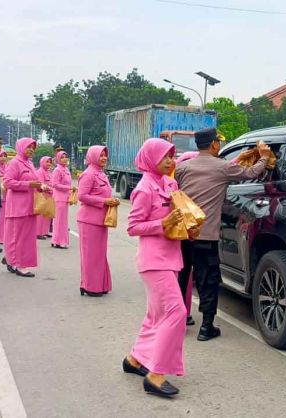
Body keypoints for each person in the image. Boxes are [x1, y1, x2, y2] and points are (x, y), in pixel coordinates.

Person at [175, 128, 272, 340]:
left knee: (182, 277)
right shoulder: (223, 167)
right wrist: (264, 157)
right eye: (217, 142)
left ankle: (178, 319)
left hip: (183, 234)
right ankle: (206, 327)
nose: (219, 145)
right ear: (213, 145)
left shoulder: (182, 168)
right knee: (207, 280)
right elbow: (251, 173)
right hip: (207, 236)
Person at [123, 138, 188, 398]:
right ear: (151, 159)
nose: (171, 161)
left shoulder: (170, 183)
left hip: (171, 257)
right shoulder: (144, 188)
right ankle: (156, 374)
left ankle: (135, 359)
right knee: (177, 312)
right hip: (153, 261)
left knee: (156, 315)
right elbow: (133, 226)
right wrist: (162, 223)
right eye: (166, 157)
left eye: (172, 156)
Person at [77, 145, 119, 297]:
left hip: (100, 220)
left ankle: (99, 284)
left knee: (99, 254)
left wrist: (110, 201)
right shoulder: (88, 174)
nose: (104, 158)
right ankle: (89, 286)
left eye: (105, 155)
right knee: (91, 255)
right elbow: (82, 196)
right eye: (101, 155)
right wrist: (104, 201)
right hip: (89, 220)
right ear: (93, 156)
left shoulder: (101, 173)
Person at [3, 138, 45, 277]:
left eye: (33, 147)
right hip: (17, 206)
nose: (31, 150)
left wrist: (42, 187)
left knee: (26, 238)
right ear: (21, 147)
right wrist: (28, 185)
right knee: (16, 236)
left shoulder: (30, 164)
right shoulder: (15, 163)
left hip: (30, 206)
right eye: (28, 147)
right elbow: (8, 182)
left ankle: (13, 259)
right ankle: (17, 264)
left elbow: (35, 182)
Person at [174, 151, 200, 326]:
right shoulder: (170, 185)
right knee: (181, 275)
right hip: (175, 236)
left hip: (188, 233)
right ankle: (178, 314)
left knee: (186, 276)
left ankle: (185, 312)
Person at [51, 151, 74, 249]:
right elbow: (55, 184)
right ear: (58, 159)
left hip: (65, 198)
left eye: (66, 157)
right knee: (59, 221)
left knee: (63, 221)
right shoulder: (57, 170)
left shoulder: (67, 170)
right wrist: (68, 188)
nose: (65, 159)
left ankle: (60, 240)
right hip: (59, 198)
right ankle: (58, 241)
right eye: (62, 157)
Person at [35, 156, 54, 240]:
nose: (49, 163)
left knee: (47, 214)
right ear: (42, 162)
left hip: (49, 195)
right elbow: (41, 184)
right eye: (47, 162)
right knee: (40, 215)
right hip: (42, 195)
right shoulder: (40, 172)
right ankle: (38, 232)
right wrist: (51, 189)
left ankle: (45, 232)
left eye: (50, 162)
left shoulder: (49, 172)